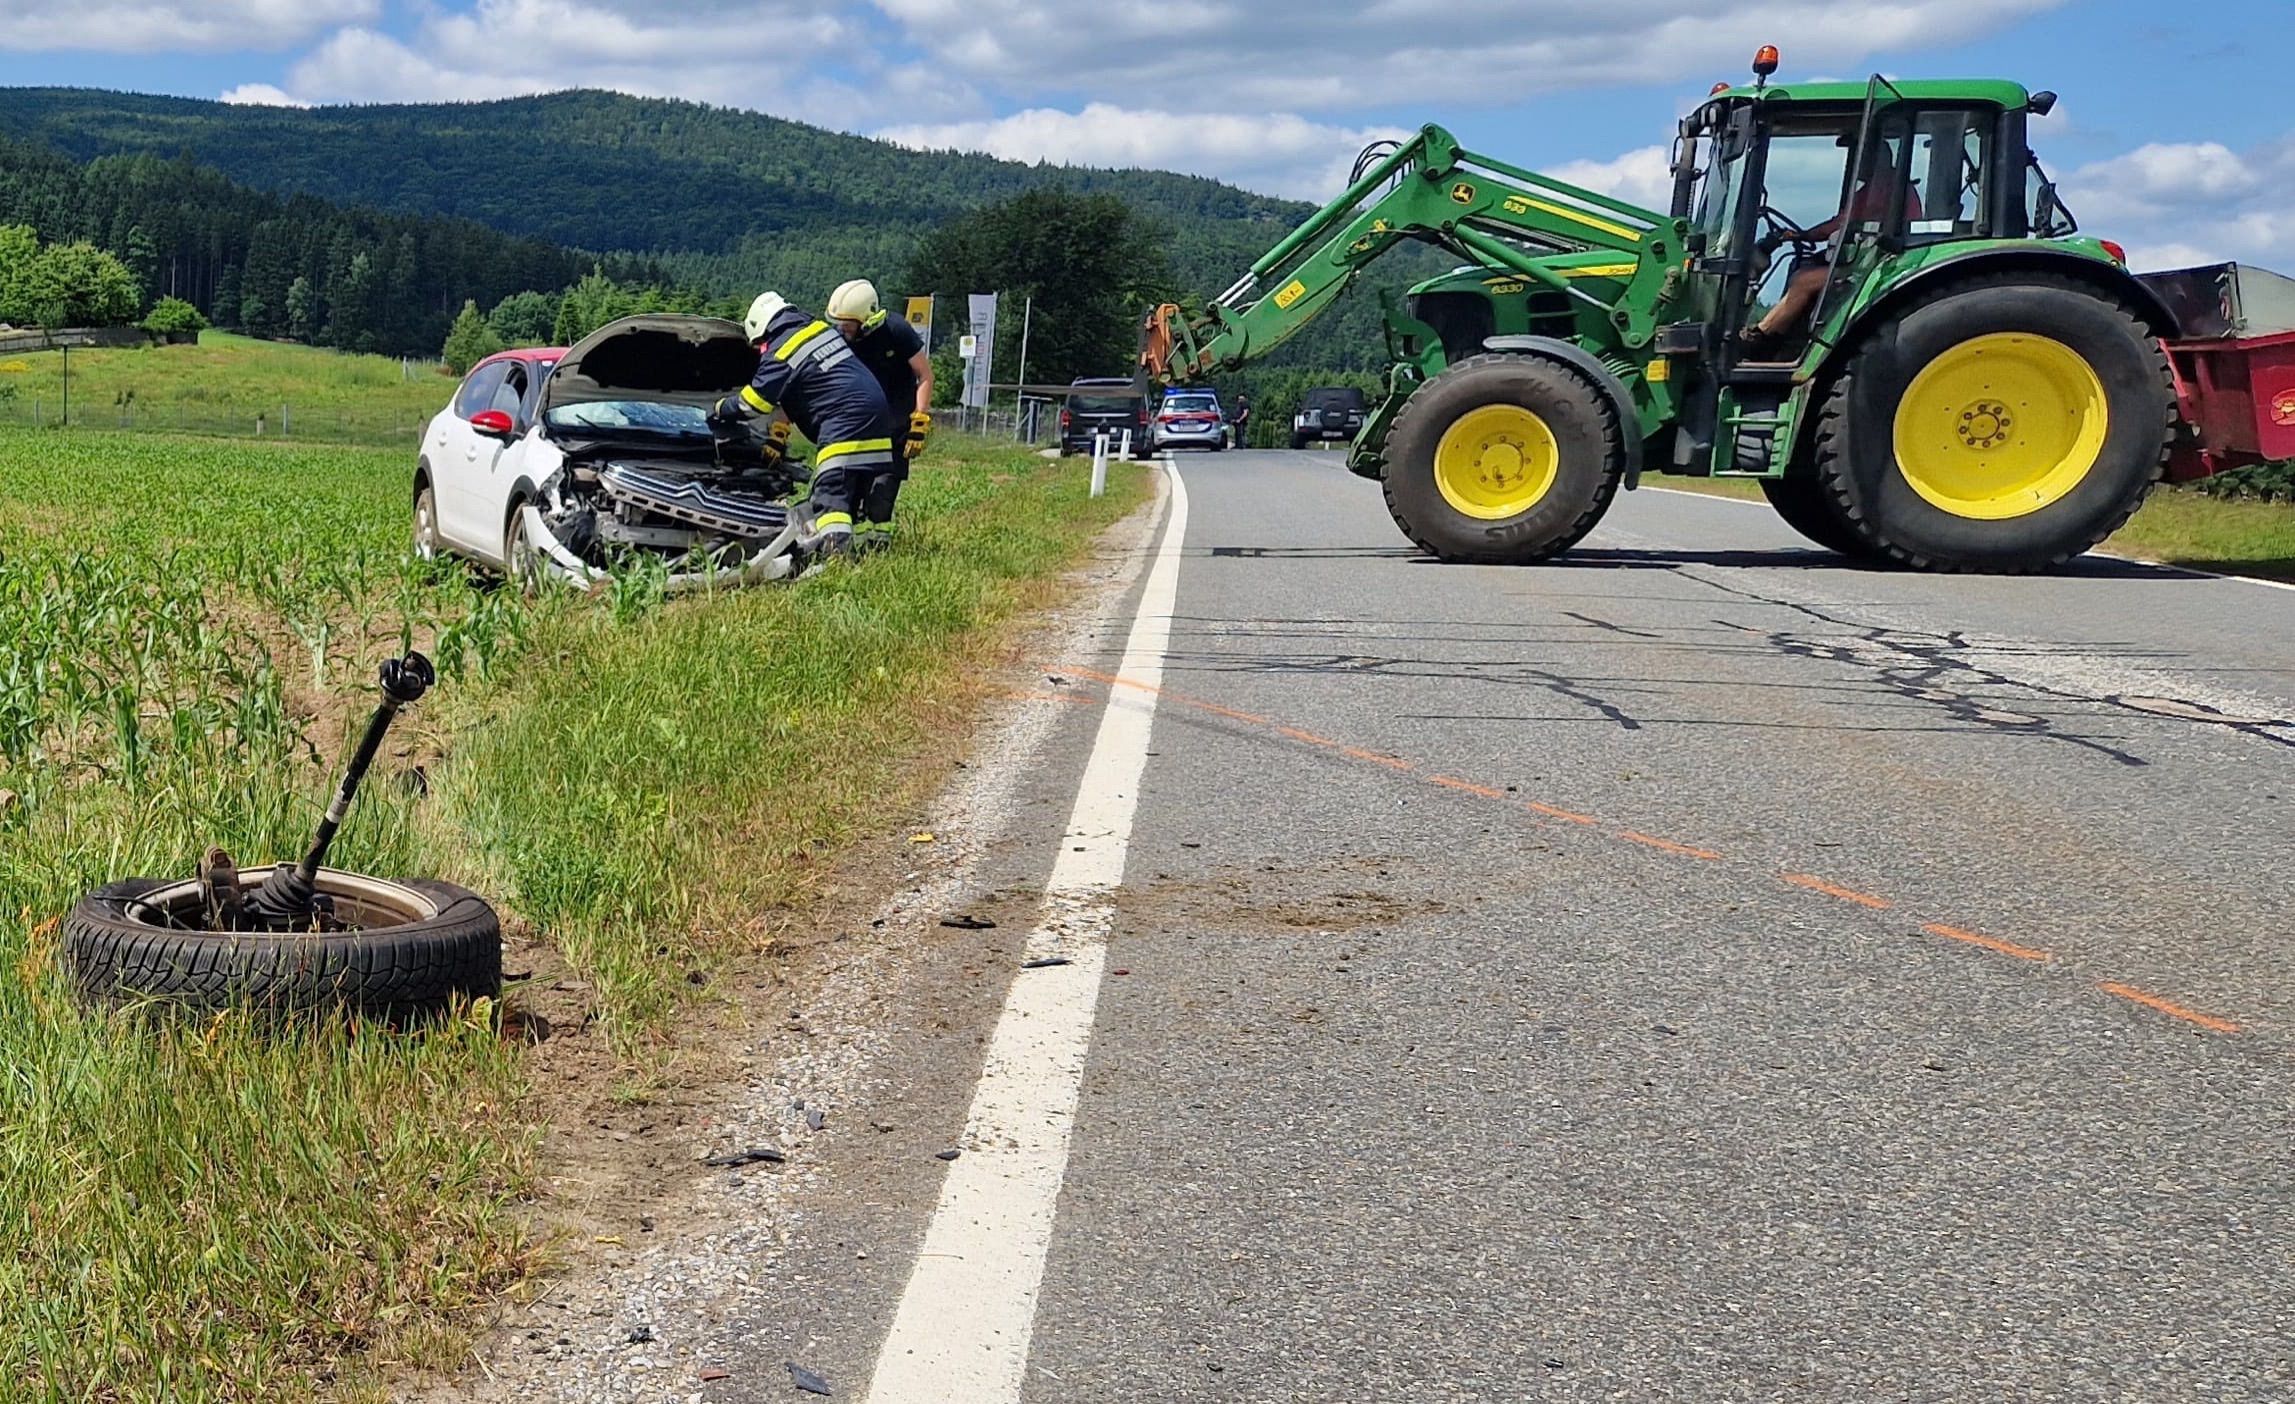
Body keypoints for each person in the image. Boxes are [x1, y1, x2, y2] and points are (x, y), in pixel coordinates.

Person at [714, 291, 895, 562]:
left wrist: (718, 409)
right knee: (853, 494)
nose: (761, 351)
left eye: (759, 346)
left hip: (845, 422)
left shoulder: (782, 349)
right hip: (878, 416)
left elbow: (752, 405)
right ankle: (868, 555)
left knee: (831, 496)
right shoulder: (817, 328)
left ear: (762, 330)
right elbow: (805, 388)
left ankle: (837, 561)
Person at [1740, 166, 1923, 359]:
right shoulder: (1894, 186)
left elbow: (1840, 223)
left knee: (1803, 280)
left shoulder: (1882, 187)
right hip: (1874, 259)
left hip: (1874, 265)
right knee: (1808, 264)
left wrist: (1805, 235)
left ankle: (1761, 337)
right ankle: (1786, 341)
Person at [827, 279, 934, 552]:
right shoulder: (841, 339)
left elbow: (924, 375)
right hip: (860, 429)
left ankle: (878, 551)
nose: (843, 328)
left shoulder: (896, 330)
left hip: (896, 427)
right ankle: (852, 552)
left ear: (867, 319)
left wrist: (919, 422)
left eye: (848, 322)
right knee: (852, 494)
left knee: (881, 496)